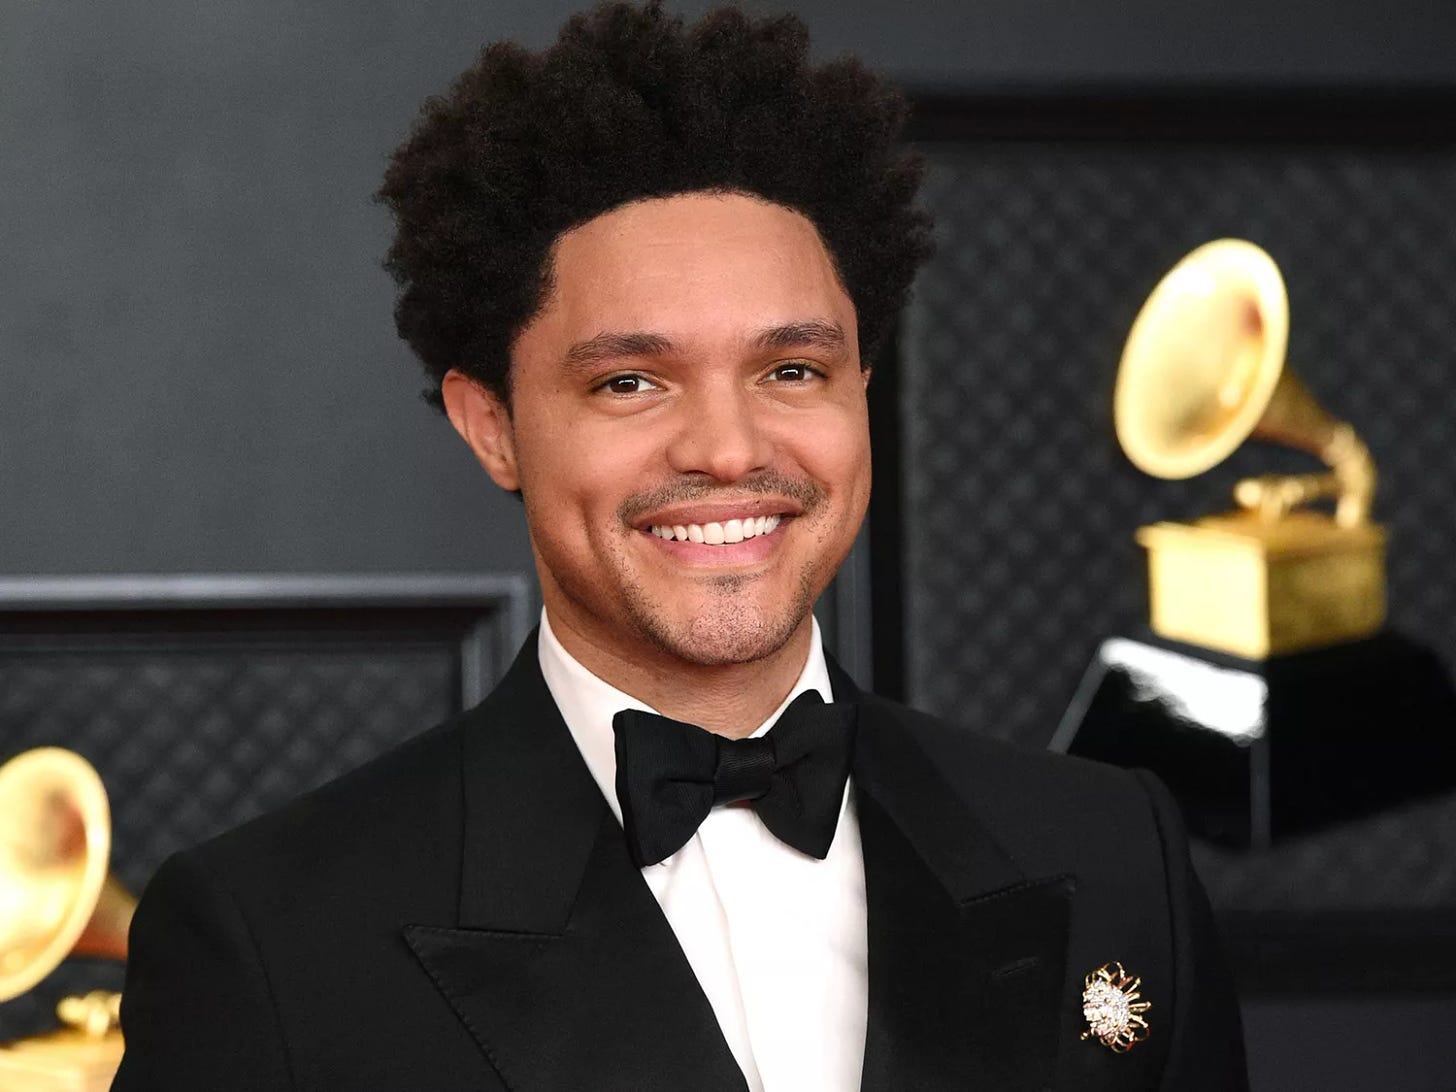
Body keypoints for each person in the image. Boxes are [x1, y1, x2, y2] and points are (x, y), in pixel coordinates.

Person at [113, 3, 1248, 1089]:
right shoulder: (271, 938)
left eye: (790, 370)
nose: (725, 447)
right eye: (629, 382)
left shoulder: (1111, 856)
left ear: (861, 387)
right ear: (492, 425)